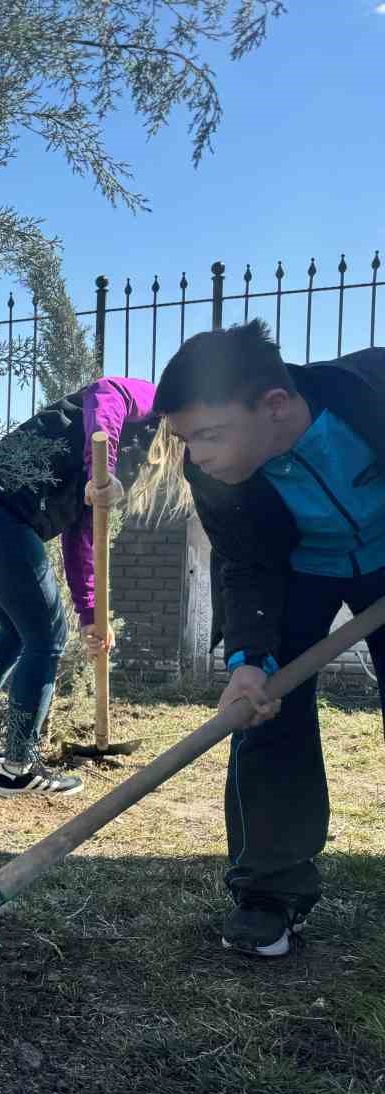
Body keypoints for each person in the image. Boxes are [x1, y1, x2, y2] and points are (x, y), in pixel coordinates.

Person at [153, 320, 385, 957]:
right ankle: (270, 892)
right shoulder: (214, 470)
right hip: (297, 570)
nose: (194, 456)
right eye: (184, 439)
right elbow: (245, 561)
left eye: (209, 435)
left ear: (274, 405)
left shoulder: (371, 391)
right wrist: (250, 660)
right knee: (264, 715)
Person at [0, 377, 157, 796]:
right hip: (1, 510)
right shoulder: (153, 400)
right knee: (46, 635)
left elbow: (82, 536)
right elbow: (107, 393)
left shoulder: (121, 456)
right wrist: (105, 468)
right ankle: (19, 766)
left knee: (17, 631)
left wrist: (92, 614)